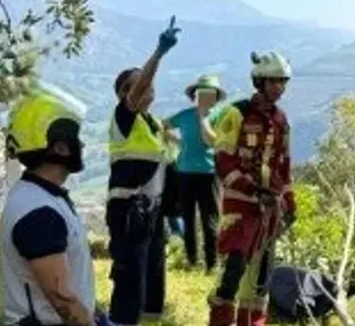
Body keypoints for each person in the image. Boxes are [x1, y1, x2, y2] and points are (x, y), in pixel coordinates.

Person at [0, 85, 103, 326]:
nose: (83, 145)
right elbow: (62, 300)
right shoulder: (38, 213)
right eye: (76, 138)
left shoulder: (41, 197)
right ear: (60, 147)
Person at [208, 52, 296, 326]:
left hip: (270, 209)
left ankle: (252, 322)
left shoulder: (282, 120)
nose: (279, 88)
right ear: (259, 82)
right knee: (234, 268)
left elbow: (284, 165)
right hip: (240, 203)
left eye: (283, 82)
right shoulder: (236, 113)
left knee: (260, 276)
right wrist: (252, 188)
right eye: (273, 82)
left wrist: (290, 201)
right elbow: (223, 161)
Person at [106, 17, 181, 326]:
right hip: (128, 213)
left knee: (153, 286)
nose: (149, 85)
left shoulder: (152, 125)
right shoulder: (124, 118)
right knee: (130, 285)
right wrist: (159, 53)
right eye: (139, 83)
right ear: (126, 92)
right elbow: (138, 91)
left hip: (152, 213)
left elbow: (165, 168)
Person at [166, 74, 226, 273]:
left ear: (216, 97)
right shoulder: (184, 116)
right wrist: (178, 143)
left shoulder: (220, 116)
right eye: (201, 93)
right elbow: (162, 126)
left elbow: (212, 141)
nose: (205, 97)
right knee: (188, 219)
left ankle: (212, 263)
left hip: (209, 174)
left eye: (210, 94)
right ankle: (192, 261)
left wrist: (202, 117)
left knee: (210, 220)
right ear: (195, 95)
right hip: (184, 173)